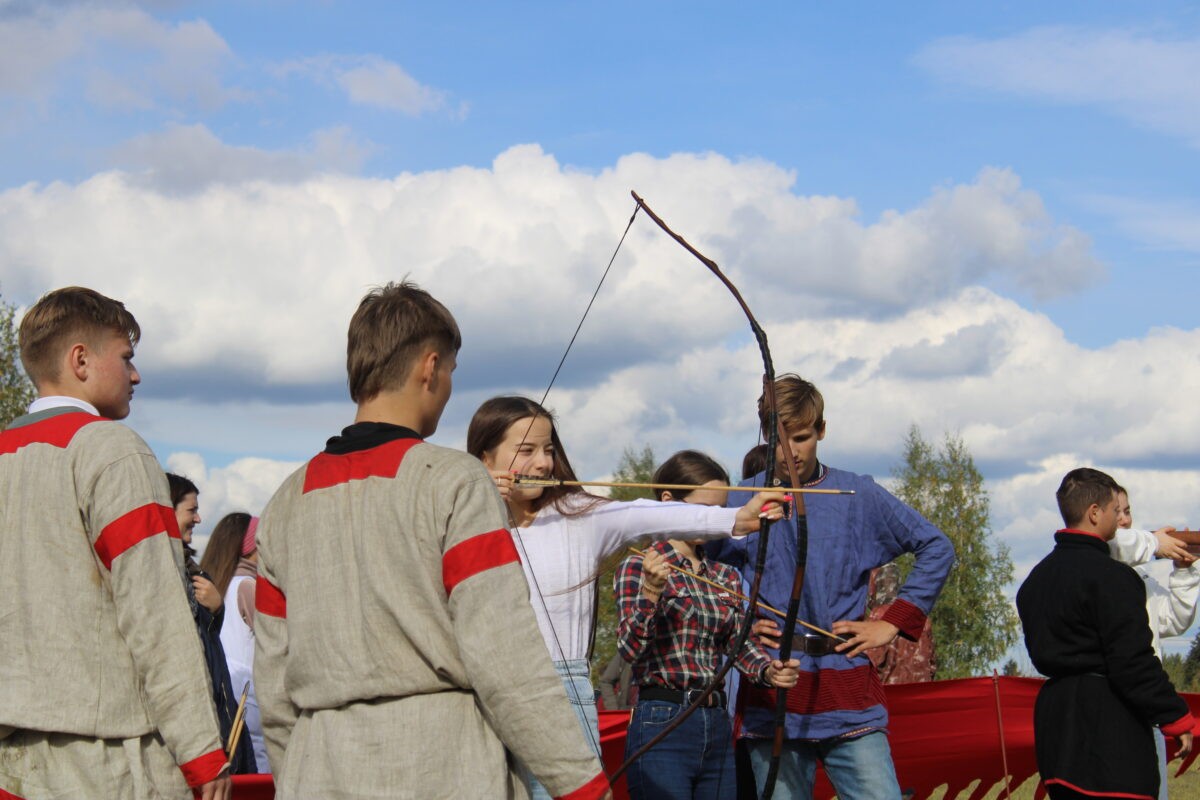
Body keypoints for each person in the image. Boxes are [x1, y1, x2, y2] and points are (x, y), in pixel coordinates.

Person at [253, 281, 609, 799]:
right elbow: (505, 656)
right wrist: (583, 785)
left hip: (320, 767)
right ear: (430, 366)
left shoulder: (284, 503)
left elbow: (273, 685)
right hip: (443, 767)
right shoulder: (455, 481)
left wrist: (298, 778)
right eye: (451, 373)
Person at [466, 396, 788, 800]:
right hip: (482, 690)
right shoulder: (465, 517)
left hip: (561, 690)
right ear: (485, 458)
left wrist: (736, 518)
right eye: (526, 450)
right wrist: (474, 496)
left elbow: (646, 514)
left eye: (548, 450)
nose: (543, 463)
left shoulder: (579, 515)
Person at [0, 286, 230, 800]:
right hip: (106, 760)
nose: (136, 374)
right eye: (125, 357)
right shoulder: (111, 450)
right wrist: (201, 751)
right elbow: (155, 611)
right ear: (80, 360)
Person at [710, 374, 955, 800]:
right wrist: (738, 623)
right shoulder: (740, 499)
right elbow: (697, 568)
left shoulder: (857, 493)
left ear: (821, 430)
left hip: (848, 691)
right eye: (779, 439)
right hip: (773, 691)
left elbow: (937, 547)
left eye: (802, 437)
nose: (790, 452)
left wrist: (891, 622)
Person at [616, 450, 801, 800]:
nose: (713, 519)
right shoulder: (638, 565)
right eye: (704, 509)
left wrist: (768, 671)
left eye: (720, 510)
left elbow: (738, 644)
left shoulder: (724, 575)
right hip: (662, 718)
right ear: (667, 500)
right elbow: (630, 650)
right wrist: (652, 592)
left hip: (715, 720)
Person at [1016, 468, 1194, 800]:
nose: (1121, 520)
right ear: (1095, 513)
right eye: (1115, 510)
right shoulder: (1113, 578)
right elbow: (1132, 662)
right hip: (1110, 728)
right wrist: (1176, 716)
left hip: (1056, 730)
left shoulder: (1036, 580)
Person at [1106, 484, 1199, 799]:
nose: (1124, 519)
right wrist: (1156, 542)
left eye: (1127, 511)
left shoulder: (1139, 574)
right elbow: (1114, 544)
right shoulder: (1099, 560)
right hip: (1110, 710)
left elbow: (1173, 620)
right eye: (1116, 511)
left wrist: (1184, 572)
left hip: (1146, 711)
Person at [167, 474, 256, 774]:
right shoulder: (167, 574)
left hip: (218, 711)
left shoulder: (195, 575)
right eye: (191, 510)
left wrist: (216, 610)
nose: (198, 518)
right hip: (191, 723)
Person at [200, 512, 270, 773]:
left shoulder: (215, 584)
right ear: (251, 548)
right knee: (261, 772)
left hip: (223, 691)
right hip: (250, 696)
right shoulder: (248, 587)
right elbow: (275, 639)